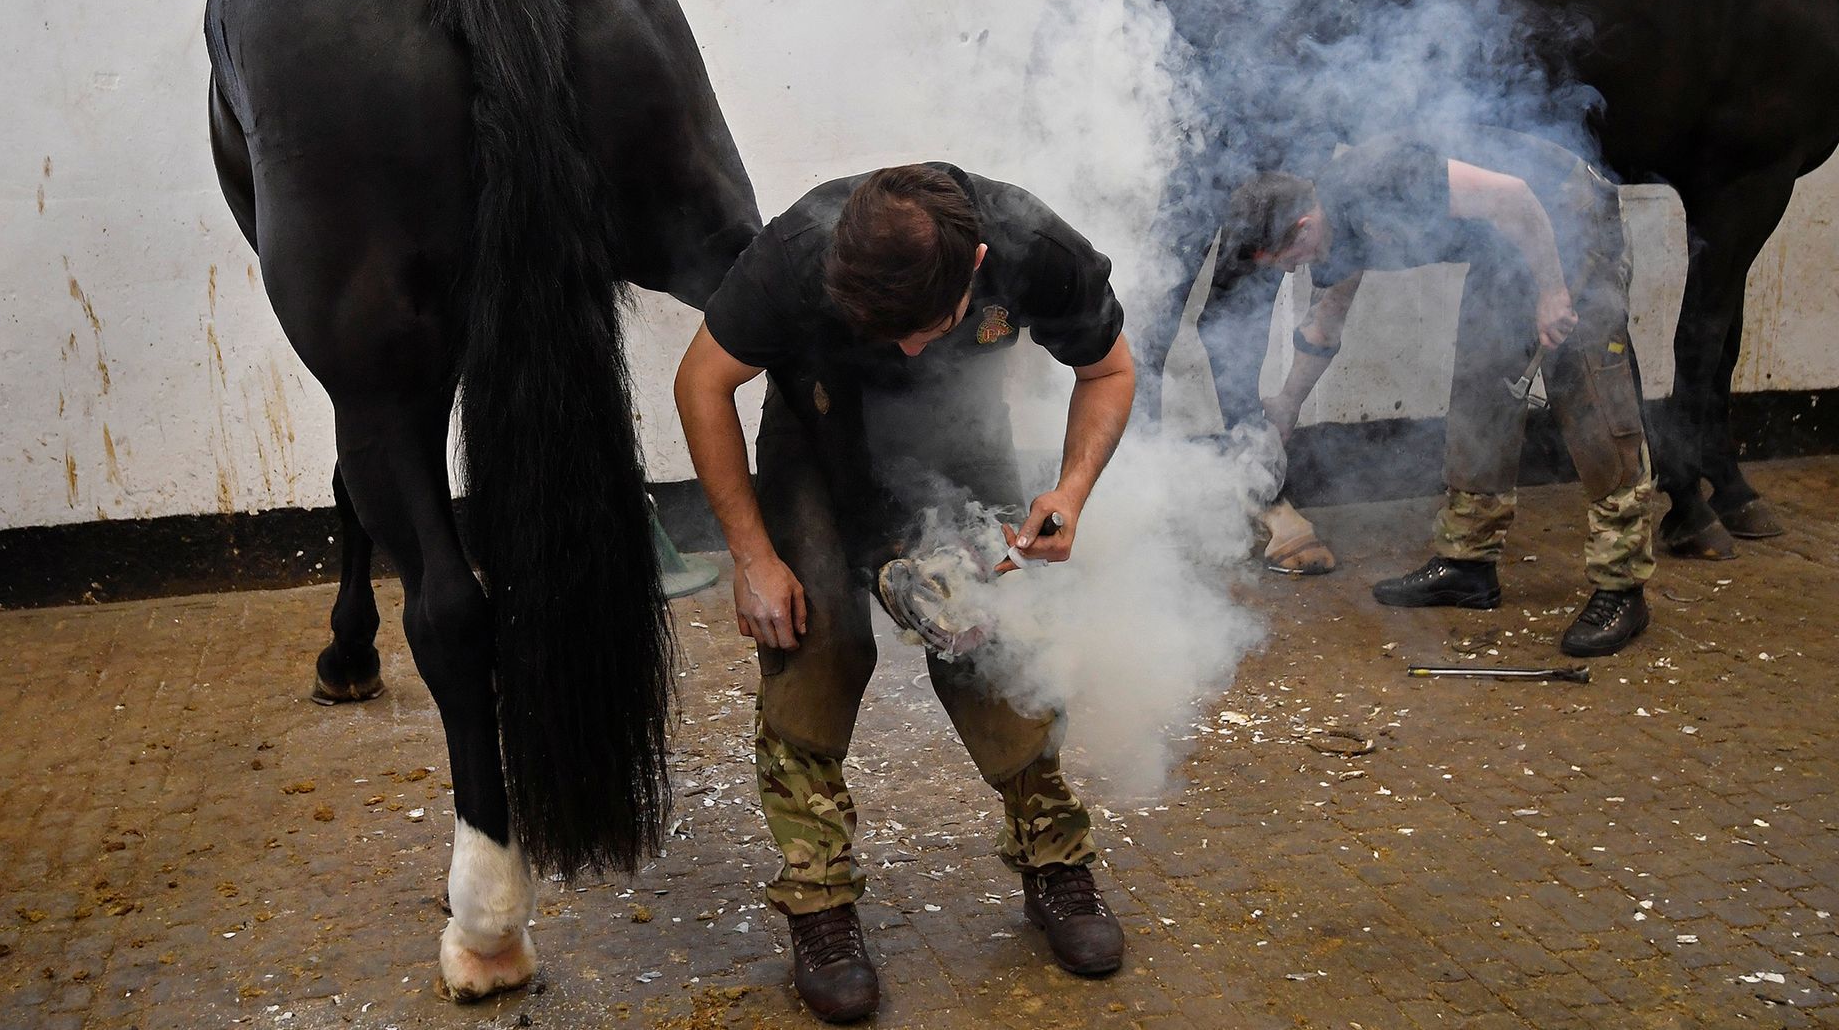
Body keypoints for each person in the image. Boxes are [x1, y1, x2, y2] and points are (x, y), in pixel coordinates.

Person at [674, 163, 1135, 1023]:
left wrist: (1068, 493)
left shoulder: (1036, 248)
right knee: (814, 642)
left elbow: (1108, 371)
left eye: (929, 328)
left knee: (994, 638)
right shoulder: (794, 255)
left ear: (979, 264)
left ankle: (1055, 859)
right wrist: (750, 556)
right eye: (888, 331)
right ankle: (820, 904)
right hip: (818, 442)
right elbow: (700, 381)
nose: (911, 350)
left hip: (957, 441)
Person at [1229, 126, 1654, 657]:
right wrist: (1287, 405)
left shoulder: (1382, 181)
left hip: (1568, 220)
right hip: (1505, 245)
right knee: (1480, 384)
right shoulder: (1330, 238)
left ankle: (1622, 586)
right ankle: (1468, 563)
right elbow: (1325, 323)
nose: (1294, 270)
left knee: (1589, 392)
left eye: (1286, 260)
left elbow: (1515, 196)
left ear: (1302, 225)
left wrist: (1551, 291)